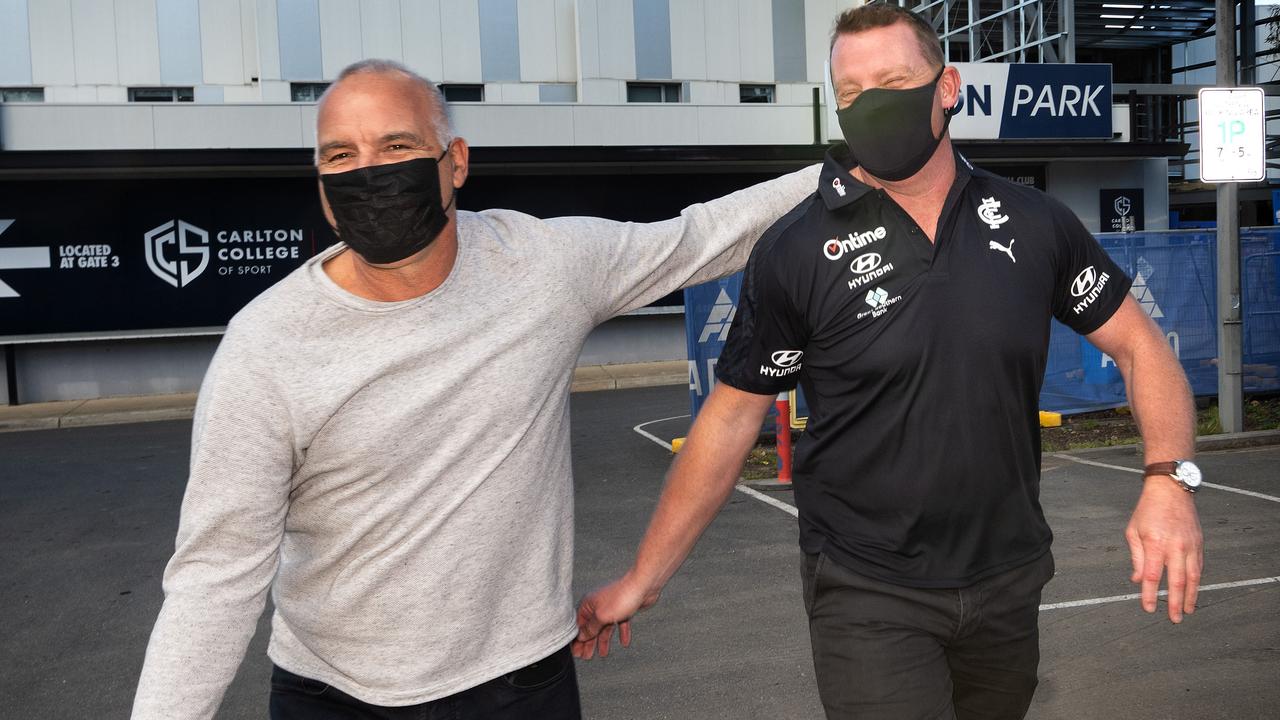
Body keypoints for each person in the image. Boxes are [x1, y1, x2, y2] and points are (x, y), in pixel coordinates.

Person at [130, 59, 819, 720]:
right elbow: (215, 575)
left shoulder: (542, 267)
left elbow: (702, 238)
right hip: (333, 695)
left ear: (455, 161)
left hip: (520, 685)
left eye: (396, 144)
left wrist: (863, 165)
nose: (368, 172)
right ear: (319, 182)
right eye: (340, 156)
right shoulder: (267, 345)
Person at [573, 6, 1204, 720]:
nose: (872, 105)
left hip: (1008, 577)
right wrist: (645, 576)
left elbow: (1140, 345)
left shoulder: (1032, 221)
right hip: (868, 588)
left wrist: (1169, 481)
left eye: (893, 80)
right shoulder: (796, 249)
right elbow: (731, 417)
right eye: (850, 95)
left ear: (947, 88)